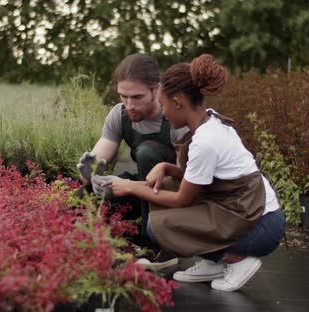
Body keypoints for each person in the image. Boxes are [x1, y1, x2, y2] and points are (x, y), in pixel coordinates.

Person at [99, 54, 286, 292]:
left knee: (158, 226)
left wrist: (129, 186)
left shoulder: (206, 141)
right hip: (244, 210)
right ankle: (213, 262)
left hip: (260, 225)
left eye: (164, 104)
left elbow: (182, 199)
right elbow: (198, 178)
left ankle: (236, 260)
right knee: (165, 184)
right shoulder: (210, 123)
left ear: (178, 103)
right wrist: (166, 167)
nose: (163, 113)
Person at [77, 53, 188, 242]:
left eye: (137, 97)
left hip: (174, 195)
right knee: (82, 198)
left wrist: (128, 187)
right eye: (123, 96)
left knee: (146, 152)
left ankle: (155, 242)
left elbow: (183, 184)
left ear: (156, 89)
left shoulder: (175, 117)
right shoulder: (119, 115)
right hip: (143, 186)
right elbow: (95, 163)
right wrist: (90, 175)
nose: (130, 105)